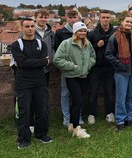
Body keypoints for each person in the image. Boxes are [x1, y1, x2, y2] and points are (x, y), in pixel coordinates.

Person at [11, 18, 52, 149]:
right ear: (21, 28)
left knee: (43, 110)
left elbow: (45, 61)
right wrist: (40, 62)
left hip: (40, 82)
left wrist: (29, 63)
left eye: (32, 26)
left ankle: (41, 134)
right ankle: (23, 139)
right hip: (23, 83)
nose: (30, 29)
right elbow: (22, 63)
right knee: (24, 112)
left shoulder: (41, 44)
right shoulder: (16, 45)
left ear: (35, 27)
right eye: (27, 26)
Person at [54, 22, 95, 138]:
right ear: (75, 32)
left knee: (77, 102)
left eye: (84, 31)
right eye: (80, 30)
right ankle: (77, 128)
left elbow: (93, 56)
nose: (82, 33)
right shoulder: (66, 44)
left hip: (84, 76)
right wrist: (72, 66)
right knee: (78, 101)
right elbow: (57, 59)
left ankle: (72, 125)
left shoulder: (87, 44)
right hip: (72, 76)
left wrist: (88, 65)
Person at [105, 15, 132, 130]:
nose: (129, 24)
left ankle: (128, 117)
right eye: (127, 21)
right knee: (121, 97)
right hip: (121, 72)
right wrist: (119, 64)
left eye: (131, 22)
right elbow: (108, 54)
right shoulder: (115, 37)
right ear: (122, 22)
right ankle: (120, 120)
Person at [26, 9, 55, 134]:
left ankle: (41, 121)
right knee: (31, 98)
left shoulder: (50, 32)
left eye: (45, 17)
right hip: (32, 70)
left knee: (42, 97)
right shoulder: (30, 30)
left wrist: (51, 59)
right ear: (35, 18)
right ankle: (30, 123)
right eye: (41, 17)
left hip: (46, 69)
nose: (43, 19)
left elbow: (53, 48)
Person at [87, 10, 116, 125]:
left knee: (109, 91)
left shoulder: (114, 32)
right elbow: (87, 50)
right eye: (103, 17)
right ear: (99, 19)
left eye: (107, 17)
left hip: (110, 67)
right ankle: (91, 114)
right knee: (94, 91)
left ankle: (109, 113)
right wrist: (96, 46)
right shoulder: (93, 33)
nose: (105, 19)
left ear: (110, 19)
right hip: (96, 67)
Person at [54, 10, 81, 127]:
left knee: (78, 94)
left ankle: (78, 116)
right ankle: (66, 117)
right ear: (66, 18)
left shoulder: (82, 31)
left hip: (79, 68)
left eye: (74, 17)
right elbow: (57, 51)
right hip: (66, 68)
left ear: (78, 18)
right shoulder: (61, 32)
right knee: (65, 93)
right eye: (70, 18)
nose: (72, 19)